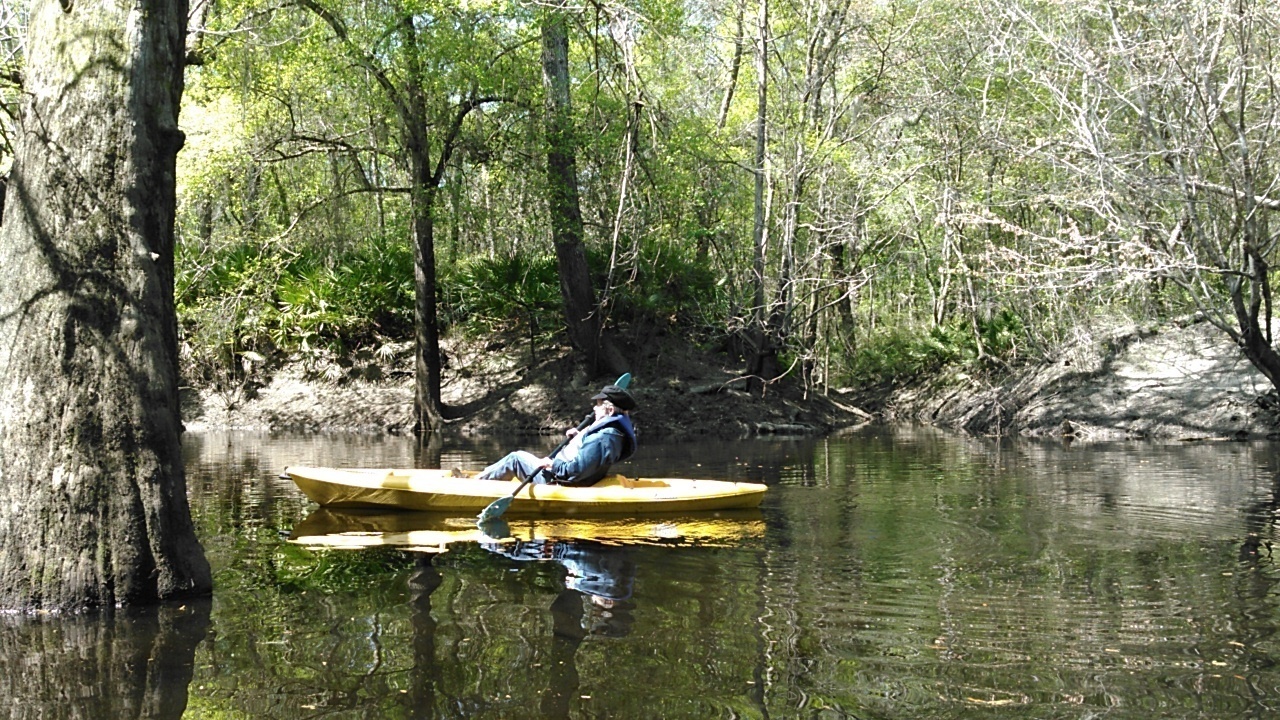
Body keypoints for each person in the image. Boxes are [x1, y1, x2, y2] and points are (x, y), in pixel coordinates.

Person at [474, 384, 637, 487]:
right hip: (568, 476)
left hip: (558, 479)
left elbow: (577, 469)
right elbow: (590, 454)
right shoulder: (610, 431)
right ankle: (486, 476)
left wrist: (552, 465)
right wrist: (579, 437)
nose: (594, 408)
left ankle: (477, 485)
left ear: (609, 411)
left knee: (515, 458)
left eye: (599, 405)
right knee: (518, 458)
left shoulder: (604, 437)